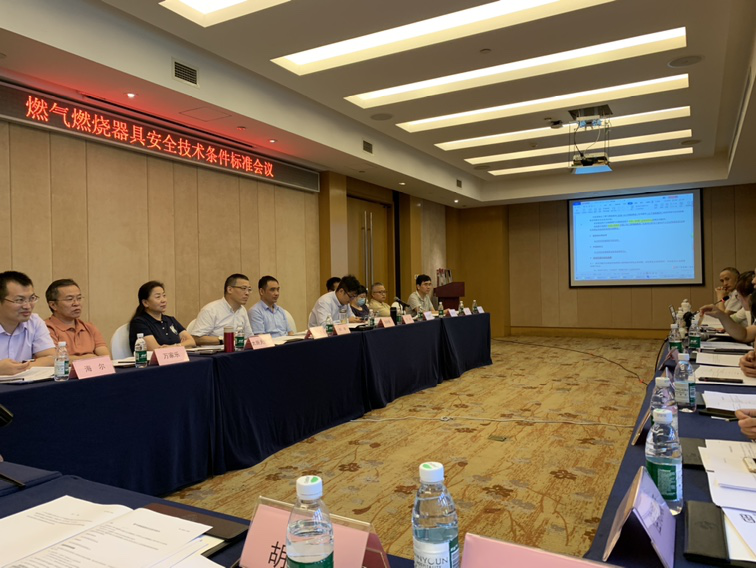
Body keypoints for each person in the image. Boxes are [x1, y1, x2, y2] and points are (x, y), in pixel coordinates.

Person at [0, 271, 55, 375]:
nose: (27, 306)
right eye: (19, 300)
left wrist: (21, 368)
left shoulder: (34, 322)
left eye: (31, 299)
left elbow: (52, 358)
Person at [45, 278, 109, 360]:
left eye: (79, 298)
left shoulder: (89, 327)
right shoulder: (46, 329)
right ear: (53, 305)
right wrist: (88, 358)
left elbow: (105, 357)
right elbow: (54, 359)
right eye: (69, 299)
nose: (76, 303)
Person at [129, 281, 195, 351]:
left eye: (164, 295)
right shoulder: (139, 322)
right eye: (158, 297)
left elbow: (192, 342)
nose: (163, 300)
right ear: (145, 303)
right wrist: (182, 345)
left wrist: (173, 346)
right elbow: (156, 350)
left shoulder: (171, 320)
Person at [189, 274, 254, 345]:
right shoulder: (210, 310)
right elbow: (196, 338)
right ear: (229, 289)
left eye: (249, 290)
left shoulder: (242, 310)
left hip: (238, 350)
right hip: (216, 351)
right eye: (243, 288)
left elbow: (249, 336)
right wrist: (225, 339)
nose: (247, 293)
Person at [700, 266, 756, 346]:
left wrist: (720, 297)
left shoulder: (735, 294)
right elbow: (746, 334)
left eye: (727, 279)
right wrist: (720, 315)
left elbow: (726, 314)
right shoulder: (732, 296)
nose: (753, 281)